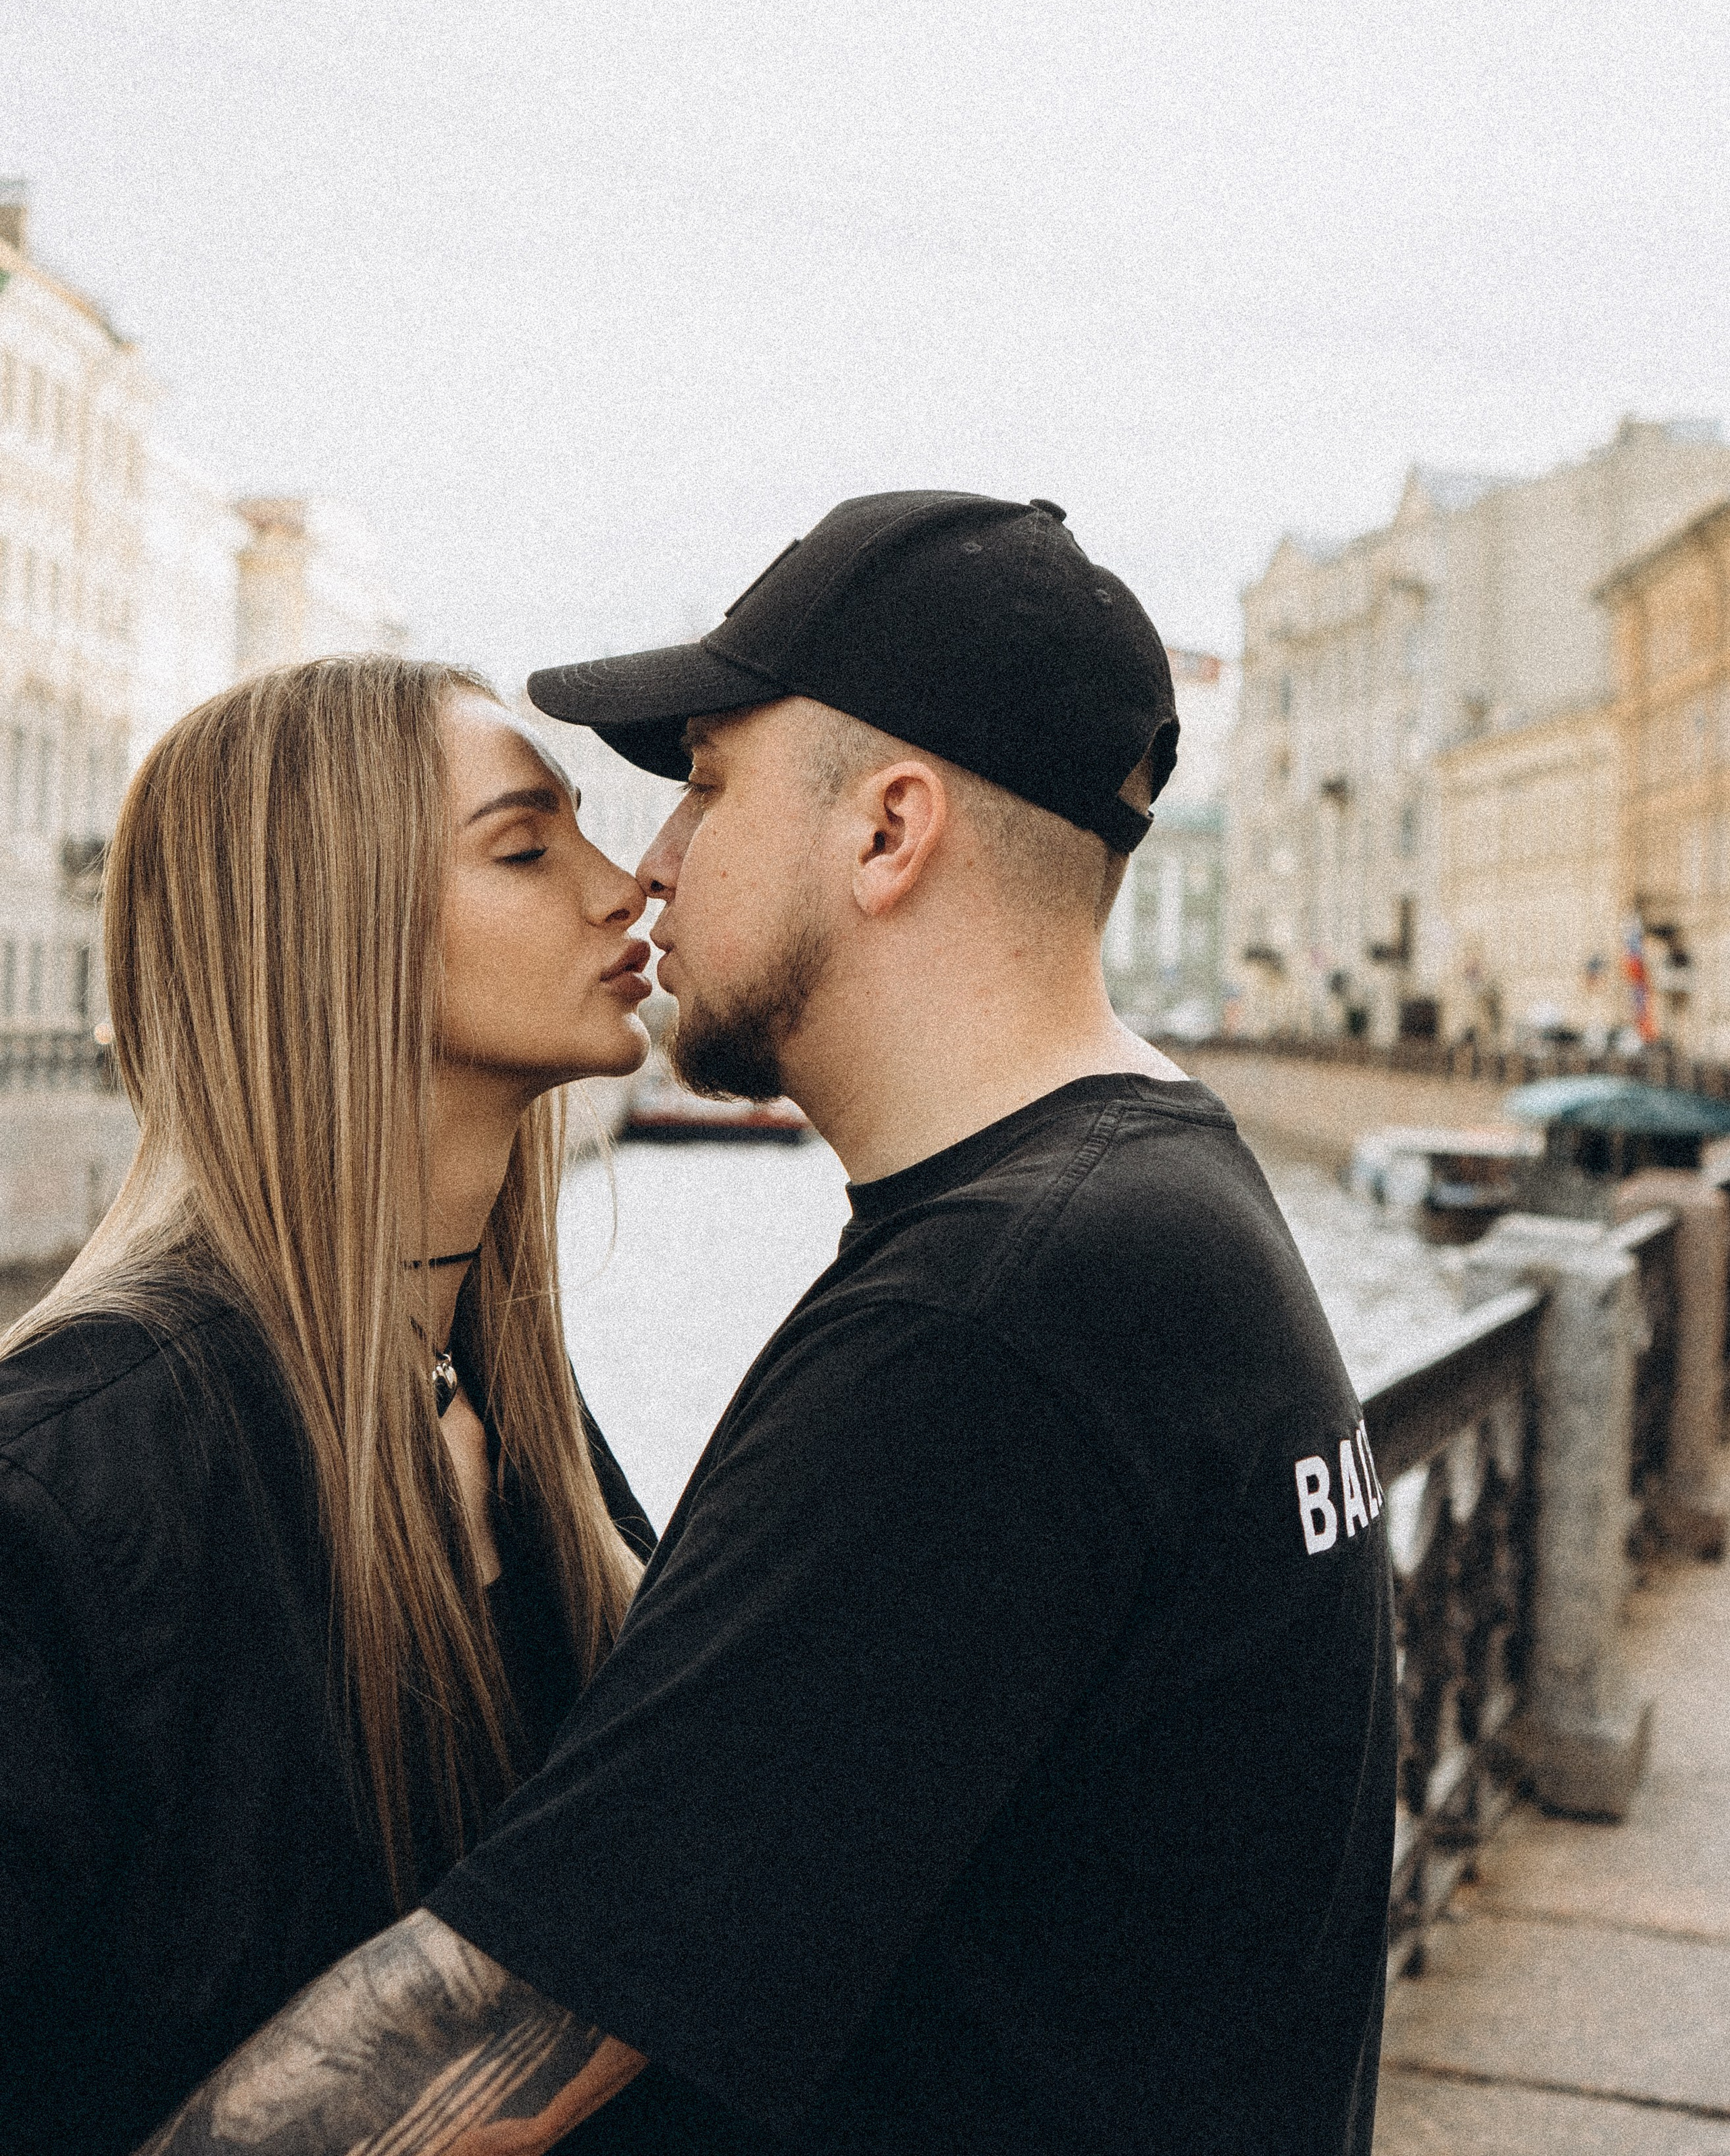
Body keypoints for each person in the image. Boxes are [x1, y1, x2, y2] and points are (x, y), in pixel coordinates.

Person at [137, 493, 1397, 2156]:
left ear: (887, 832)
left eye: (708, 785)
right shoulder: (1157, 1198)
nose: (652, 864)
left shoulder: (987, 1325)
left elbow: (507, 2018)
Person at [0, 655, 662, 2156]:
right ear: (334, 931)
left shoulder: (508, 1412)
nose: (625, 888)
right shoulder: (69, 1477)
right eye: (526, 848)